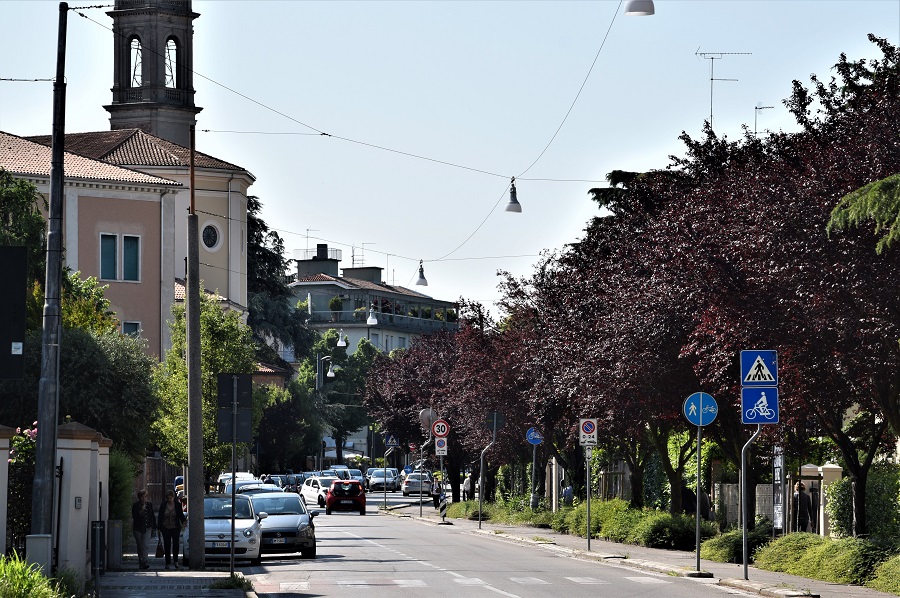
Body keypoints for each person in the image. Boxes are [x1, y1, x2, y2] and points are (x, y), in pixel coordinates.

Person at [157, 489, 187, 570]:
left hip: (175, 527)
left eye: (171, 498)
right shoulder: (163, 505)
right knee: (167, 545)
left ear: (173, 497)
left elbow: (180, 515)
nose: (169, 499)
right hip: (165, 527)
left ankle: (176, 561)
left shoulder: (177, 505)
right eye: (168, 498)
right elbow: (160, 516)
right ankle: (167, 562)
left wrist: (184, 521)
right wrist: (159, 527)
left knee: (176, 544)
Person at [131, 489, 156, 570]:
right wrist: (141, 510)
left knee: (145, 545)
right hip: (138, 528)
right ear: (139, 497)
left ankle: (145, 561)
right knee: (140, 546)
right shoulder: (136, 505)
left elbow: (152, 516)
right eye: (142, 497)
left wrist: (154, 527)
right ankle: (141, 561)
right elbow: (135, 516)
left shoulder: (149, 505)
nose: (144, 498)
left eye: (145, 497)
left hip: (147, 527)